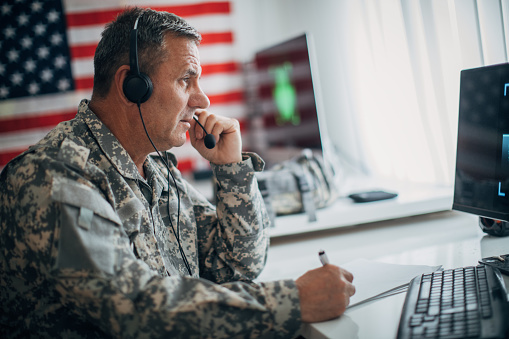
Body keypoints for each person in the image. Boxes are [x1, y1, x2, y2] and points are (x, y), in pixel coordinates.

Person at [0, 7, 355, 338]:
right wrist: (292, 301)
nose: (203, 101)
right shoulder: (52, 177)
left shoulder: (155, 168)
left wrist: (231, 170)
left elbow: (237, 265)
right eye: (187, 80)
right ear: (132, 86)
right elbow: (132, 308)